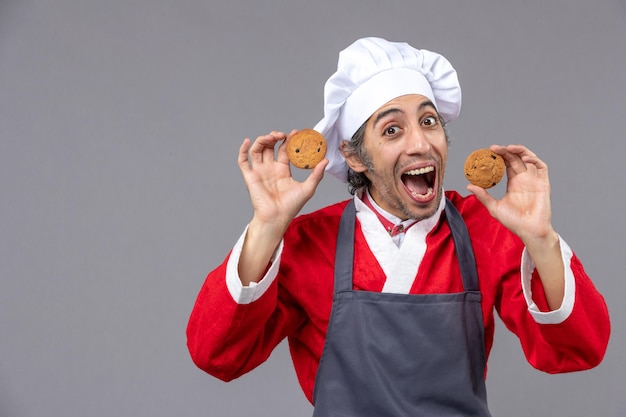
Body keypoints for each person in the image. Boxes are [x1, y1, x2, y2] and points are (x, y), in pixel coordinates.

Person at [186, 37, 610, 416]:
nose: (421, 143)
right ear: (353, 156)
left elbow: (578, 350)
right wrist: (267, 226)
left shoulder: (486, 230)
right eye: (392, 129)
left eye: (429, 122)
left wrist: (541, 239)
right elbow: (217, 354)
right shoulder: (310, 241)